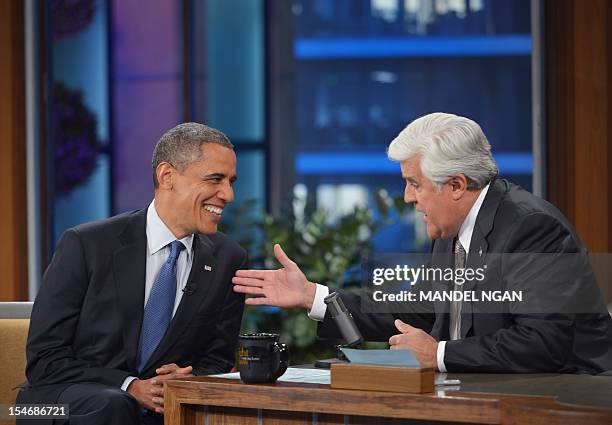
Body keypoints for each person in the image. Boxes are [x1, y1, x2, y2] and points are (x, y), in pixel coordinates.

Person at [232, 112, 612, 374]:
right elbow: (418, 311)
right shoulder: (451, 231)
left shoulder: (531, 228)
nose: (407, 198)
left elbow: (543, 343)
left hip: (564, 398)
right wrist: (313, 296)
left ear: (457, 185)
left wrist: (438, 353)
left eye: (415, 184)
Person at [17, 123, 247, 425]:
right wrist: (129, 385)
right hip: (54, 405)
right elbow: (45, 359)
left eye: (231, 181)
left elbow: (216, 360)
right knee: (114, 405)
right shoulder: (87, 244)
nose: (228, 194)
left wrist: (186, 379)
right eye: (215, 179)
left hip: (159, 408)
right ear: (167, 176)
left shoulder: (228, 258)